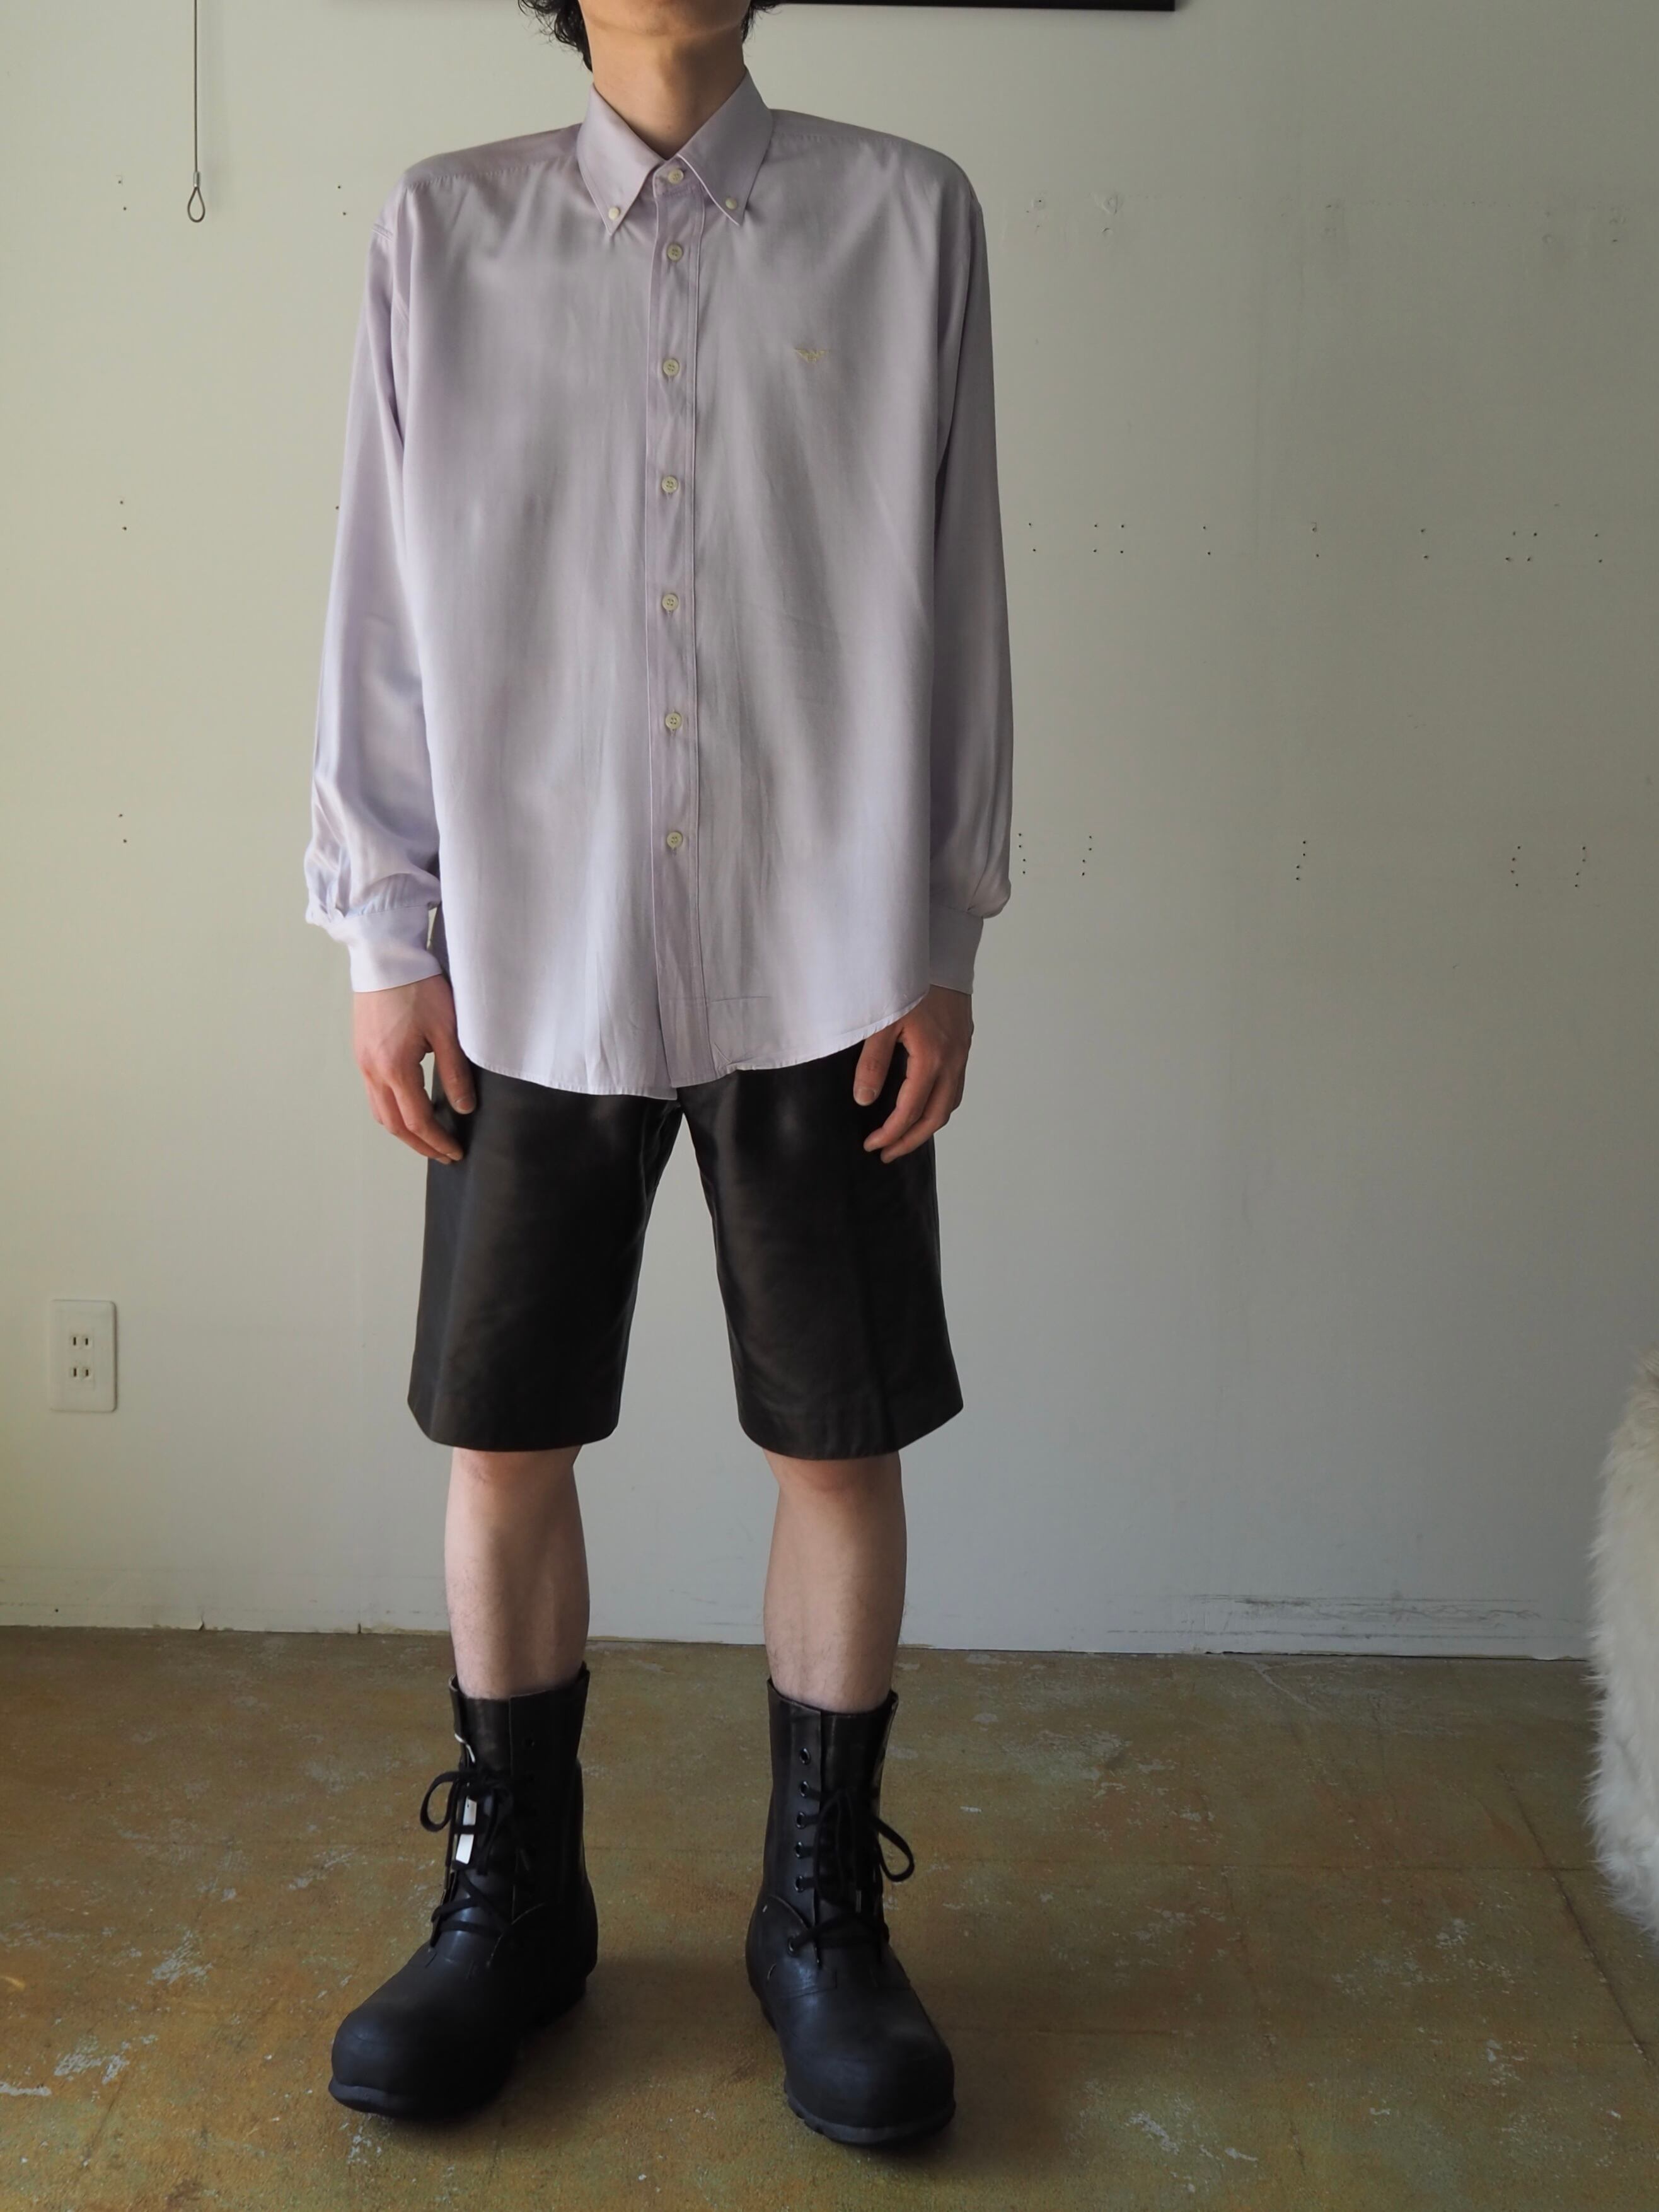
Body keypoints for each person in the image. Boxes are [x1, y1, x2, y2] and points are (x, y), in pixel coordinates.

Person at [301, 0, 1012, 2151]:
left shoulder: (908, 221)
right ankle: (516, 1902)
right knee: (503, 1437)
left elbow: (960, 588)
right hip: (534, 948)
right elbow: (380, 608)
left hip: (827, 950)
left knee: (839, 1440)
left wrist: (942, 927)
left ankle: (822, 1923)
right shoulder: (445, 233)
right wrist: (388, 934)